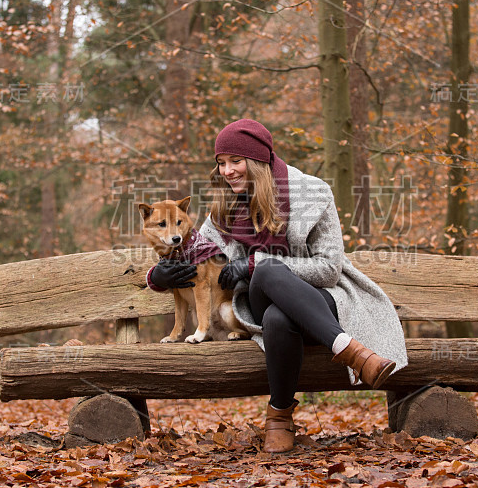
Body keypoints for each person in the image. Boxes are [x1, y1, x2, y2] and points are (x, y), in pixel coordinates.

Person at [148, 119, 408, 453]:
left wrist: (256, 263)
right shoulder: (222, 209)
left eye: (235, 161)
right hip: (252, 301)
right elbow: (190, 252)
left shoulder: (312, 194)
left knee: (277, 314)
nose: (226, 171)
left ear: (257, 161)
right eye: (221, 163)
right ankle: (353, 352)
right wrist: (158, 276)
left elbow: (329, 270)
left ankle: (279, 416)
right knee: (267, 277)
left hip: (321, 301)